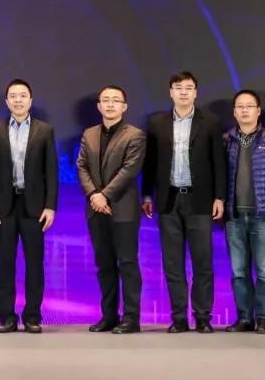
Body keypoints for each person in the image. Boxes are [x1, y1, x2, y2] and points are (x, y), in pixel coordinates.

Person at [141, 71, 225, 333]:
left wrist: (219, 196)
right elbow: (150, 162)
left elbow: (218, 162)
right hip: (168, 200)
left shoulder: (210, 122)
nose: (184, 92)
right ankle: (178, 317)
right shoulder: (157, 123)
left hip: (200, 201)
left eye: (189, 87)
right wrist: (147, 194)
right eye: (178, 87)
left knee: (202, 262)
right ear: (171, 92)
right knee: (173, 263)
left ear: (196, 92)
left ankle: (203, 316)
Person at [0, 79, 58, 334]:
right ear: (7, 102)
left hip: (34, 207)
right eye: (13, 96)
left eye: (23, 95)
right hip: (4, 207)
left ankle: (32, 316)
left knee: (34, 264)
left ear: (30, 100)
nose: (18, 100)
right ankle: (6, 317)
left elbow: (51, 171)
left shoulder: (44, 130)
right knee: (5, 263)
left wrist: (50, 206)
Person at [76, 84, 145, 334]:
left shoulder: (135, 135)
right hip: (96, 209)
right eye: (105, 100)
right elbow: (82, 166)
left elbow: (129, 170)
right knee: (104, 265)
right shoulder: (89, 134)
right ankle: (109, 316)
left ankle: (131, 318)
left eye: (115, 100)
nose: (110, 104)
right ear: (99, 106)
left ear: (124, 106)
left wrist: (104, 195)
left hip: (123, 209)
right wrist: (94, 195)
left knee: (127, 264)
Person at [221, 89, 265, 335]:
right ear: (234, 112)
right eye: (240, 106)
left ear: (258, 111)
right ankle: (244, 318)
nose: (244, 110)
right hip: (234, 217)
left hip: (263, 216)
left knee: (264, 272)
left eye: (249, 106)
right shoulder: (226, 140)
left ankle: (263, 319)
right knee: (238, 273)